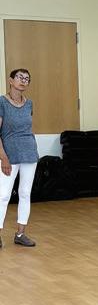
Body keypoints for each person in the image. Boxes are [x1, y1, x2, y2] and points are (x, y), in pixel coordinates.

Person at [0, 69, 39, 248]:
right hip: (9, 155)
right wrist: (3, 158)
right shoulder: (2, 102)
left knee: (25, 193)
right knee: (3, 195)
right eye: (20, 77)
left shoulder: (29, 104)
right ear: (10, 80)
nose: (23, 81)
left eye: (27, 79)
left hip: (29, 153)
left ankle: (20, 234)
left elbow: (27, 128)